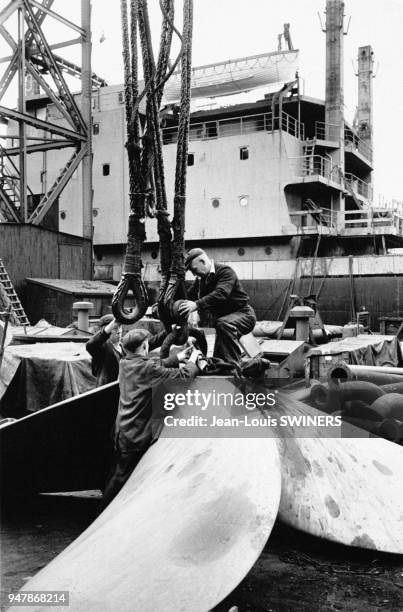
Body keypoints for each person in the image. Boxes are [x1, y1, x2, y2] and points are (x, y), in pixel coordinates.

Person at [99, 328, 202, 511]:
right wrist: (193, 360)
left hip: (122, 429)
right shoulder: (149, 368)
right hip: (136, 433)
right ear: (145, 345)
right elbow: (184, 376)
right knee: (120, 480)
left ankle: (108, 507)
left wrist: (177, 357)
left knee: (116, 472)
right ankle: (102, 516)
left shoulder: (125, 362)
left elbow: (151, 364)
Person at [179, 248, 256, 368]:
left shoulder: (225, 271)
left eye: (194, 270)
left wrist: (196, 305)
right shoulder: (201, 280)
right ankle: (237, 367)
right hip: (223, 323)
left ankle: (234, 371)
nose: (194, 274)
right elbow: (189, 295)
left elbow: (221, 293)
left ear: (203, 261)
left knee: (223, 325)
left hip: (244, 315)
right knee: (219, 360)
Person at [86, 314, 123, 387]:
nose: (119, 331)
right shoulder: (103, 349)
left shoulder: (124, 346)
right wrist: (112, 324)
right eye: (115, 328)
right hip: (106, 393)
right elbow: (90, 345)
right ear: (107, 330)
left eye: (120, 327)